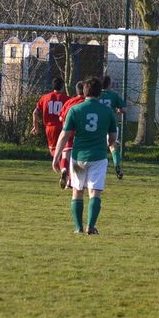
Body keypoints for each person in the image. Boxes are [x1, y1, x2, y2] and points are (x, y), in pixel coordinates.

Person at [51, 77, 118, 235]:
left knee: (77, 190)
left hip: (79, 156)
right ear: (100, 93)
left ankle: (78, 228)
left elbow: (64, 135)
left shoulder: (75, 110)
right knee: (95, 191)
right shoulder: (108, 111)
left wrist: (57, 157)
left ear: (84, 91)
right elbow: (113, 138)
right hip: (99, 157)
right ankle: (90, 226)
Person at [55, 81, 87, 189]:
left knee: (66, 154)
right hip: (81, 134)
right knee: (78, 159)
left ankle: (64, 169)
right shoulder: (86, 102)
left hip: (68, 131)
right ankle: (71, 181)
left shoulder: (69, 102)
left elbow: (60, 117)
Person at [30, 77, 67, 158]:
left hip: (49, 128)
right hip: (62, 128)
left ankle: (62, 166)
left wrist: (36, 127)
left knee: (54, 152)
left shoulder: (45, 98)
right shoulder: (66, 99)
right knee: (64, 150)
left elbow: (35, 113)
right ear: (62, 86)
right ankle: (63, 166)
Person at [99, 75, 127, 180]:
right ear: (109, 84)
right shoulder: (113, 95)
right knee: (113, 146)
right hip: (111, 124)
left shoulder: (96, 95)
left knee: (99, 146)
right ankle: (117, 166)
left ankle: (99, 168)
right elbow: (124, 109)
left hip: (98, 124)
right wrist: (119, 110)